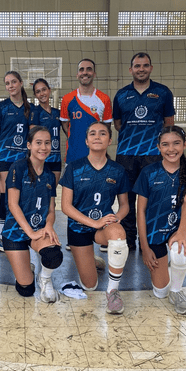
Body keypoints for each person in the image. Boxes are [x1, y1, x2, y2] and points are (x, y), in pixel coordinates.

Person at [60, 121, 130, 314]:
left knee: (118, 235)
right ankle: (92, 260)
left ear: (110, 140)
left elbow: (125, 205)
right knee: (89, 286)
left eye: (102, 133)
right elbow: (65, 206)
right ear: (86, 141)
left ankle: (113, 292)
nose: (97, 137)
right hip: (78, 228)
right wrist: (94, 222)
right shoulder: (74, 168)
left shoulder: (117, 170)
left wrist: (116, 218)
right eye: (92, 134)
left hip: (103, 228)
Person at [134, 125, 186, 316]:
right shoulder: (148, 172)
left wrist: (182, 232)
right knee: (160, 292)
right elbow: (141, 211)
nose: (171, 149)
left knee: (180, 251)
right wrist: (144, 247)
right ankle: (170, 275)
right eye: (165, 144)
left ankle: (177, 291)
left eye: (176, 143)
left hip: (177, 227)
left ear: (185, 145)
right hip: (154, 231)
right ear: (158, 147)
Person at [113, 52, 175, 251]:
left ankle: (149, 240)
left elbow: (169, 124)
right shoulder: (121, 94)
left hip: (153, 155)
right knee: (126, 200)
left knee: (153, 200)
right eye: (137, 66)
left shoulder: (163, 92)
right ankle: (129, 240)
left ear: (151, 68)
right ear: (131, 69)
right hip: (126, 155)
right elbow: (118, 124)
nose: (141, 69)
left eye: (145, 65)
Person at [2, 126, 63, 302]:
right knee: (26, 290)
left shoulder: (50, 175)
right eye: (38, 143)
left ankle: (44, 279)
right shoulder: (18, 167)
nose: (43, 147)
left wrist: (49, 225)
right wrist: (30, 233)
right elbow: (12, 204)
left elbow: (51, 209)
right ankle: (26, 269)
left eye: (47, 143)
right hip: (15, 231)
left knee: (54, 254)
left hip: (39, 229)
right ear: (29, 145)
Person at [0, 70, 32, 252]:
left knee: (21, 198)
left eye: (13, 82)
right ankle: (2, 236)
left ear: (21, 83)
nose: (10, 86)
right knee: (5, 197)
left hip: (23, 160)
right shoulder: (1, 107)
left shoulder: (30, 108)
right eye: (7, 83)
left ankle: (18, 232)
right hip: (4, 158)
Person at [60, 59, 112, 164]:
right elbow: (65, 125)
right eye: (81, 69)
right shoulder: (67, 99)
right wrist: (76, 137)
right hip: (73, 157)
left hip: (97, 159)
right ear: (77, 75)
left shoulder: (104, 99)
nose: (85, 72)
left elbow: (106, 127)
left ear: (94, 74)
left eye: (89, 69)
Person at [30, 78, 62, 185]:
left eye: (44, 90)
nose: (42, 93)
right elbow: (32, 136)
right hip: (42, 158)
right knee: (40, 190)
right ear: (35, 95)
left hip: (56, 157)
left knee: (52, 191)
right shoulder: (35, 112)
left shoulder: (57, 113)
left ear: (49, 90)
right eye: (38, 91)